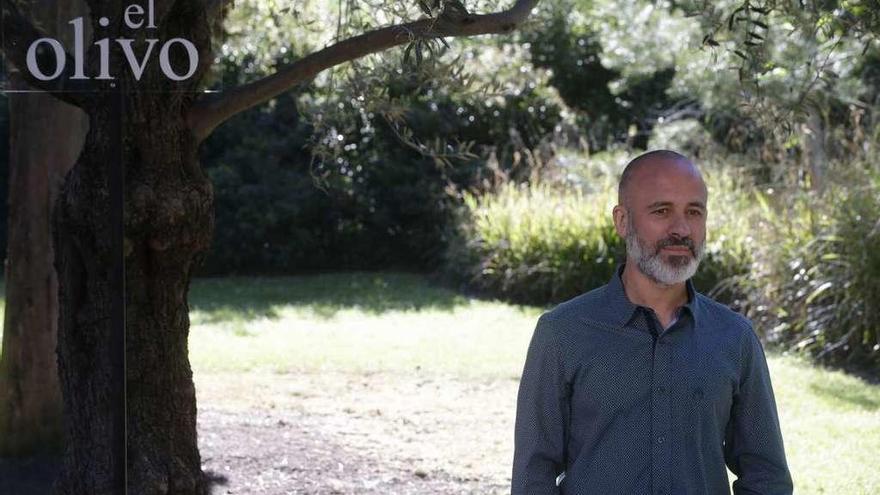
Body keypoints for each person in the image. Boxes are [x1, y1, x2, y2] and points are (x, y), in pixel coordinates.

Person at [511, 150, 793, 494]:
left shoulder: (734, 338)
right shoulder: (562, 333)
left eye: (694, 212)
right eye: (661, 211)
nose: (681, 229)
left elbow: (767, 475)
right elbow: (533, 476)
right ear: (622, 221)